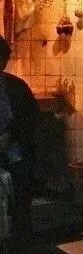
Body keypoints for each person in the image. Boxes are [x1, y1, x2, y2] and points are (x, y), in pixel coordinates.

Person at [0, 36, 39, 239]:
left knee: (20, 206)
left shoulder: (16, 87)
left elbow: (32, 118)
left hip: (16, 156)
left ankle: (21, 242)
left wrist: (11, 135)